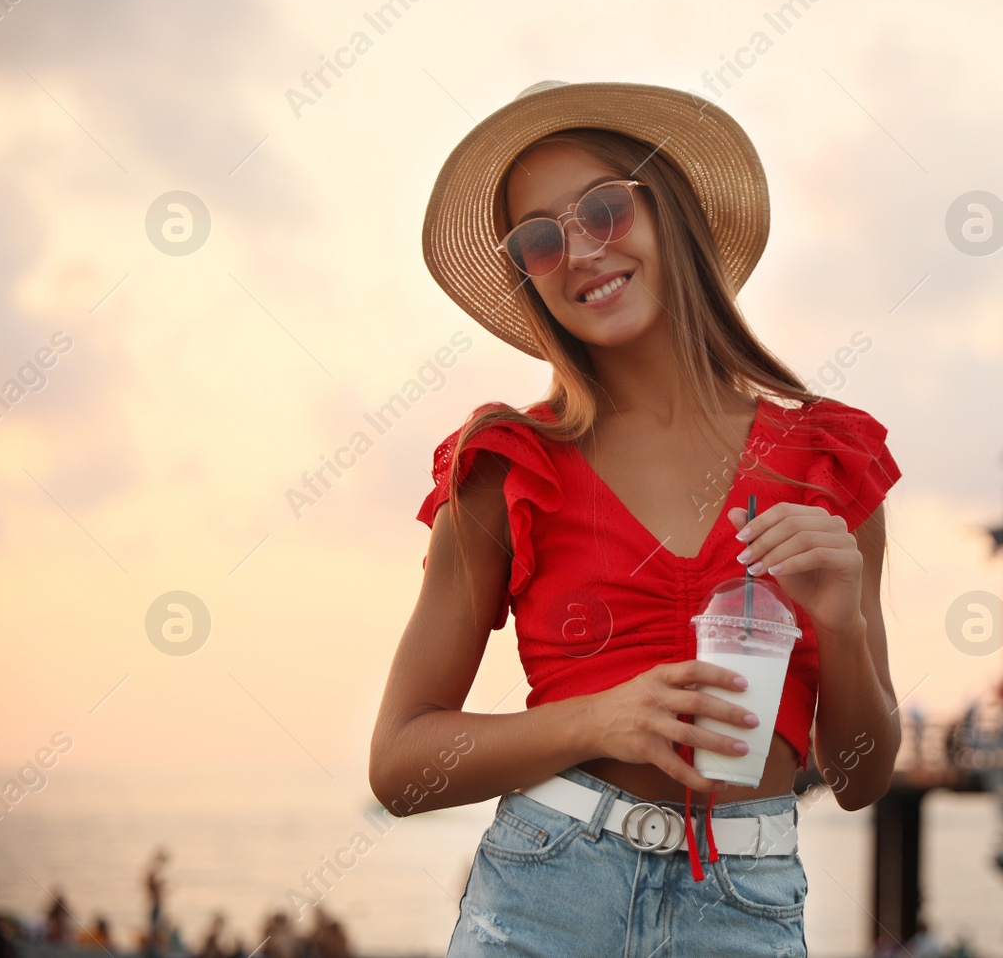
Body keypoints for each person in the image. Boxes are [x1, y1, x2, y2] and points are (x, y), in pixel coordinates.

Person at [370, 80, 905, 956]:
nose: (579, 249)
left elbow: (857, 776)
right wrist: (598, 718)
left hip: (746, 903)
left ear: (672, 216)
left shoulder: (828, 458)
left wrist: (840, 626)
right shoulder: (506, 466)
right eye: (540, 237)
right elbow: (399, 764)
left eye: (604, 210)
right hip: (544, 892)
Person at [143, 848, 168, 957]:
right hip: (155, 906)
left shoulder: (152, 876)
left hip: (155, 906)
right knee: (154, 929)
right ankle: (152, 952)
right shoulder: (151, 876)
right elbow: (151, 883)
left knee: (156, 929)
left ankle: (153, 950)